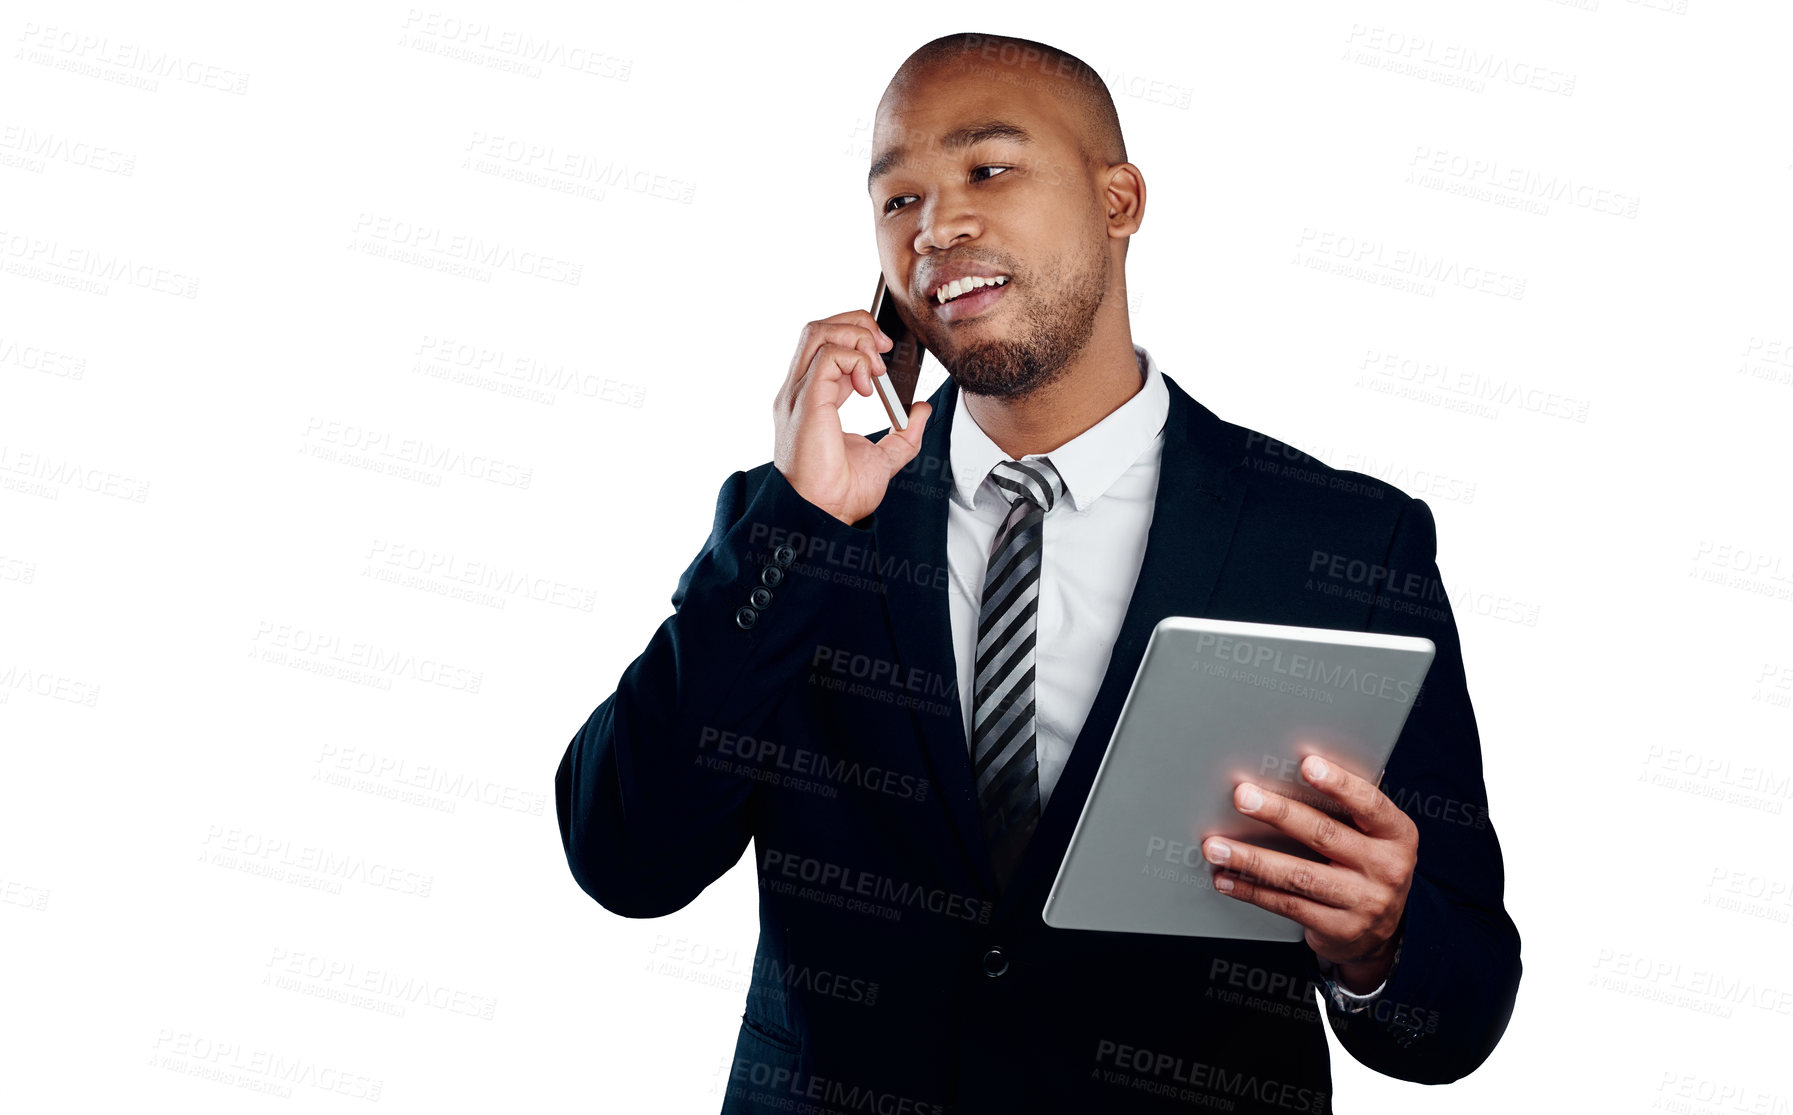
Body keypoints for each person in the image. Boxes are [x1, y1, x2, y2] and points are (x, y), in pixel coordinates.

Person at [555, 31, 1521, 1114]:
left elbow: (1460, 1006)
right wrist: (795, 523)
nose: (936, 226)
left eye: (987, 168)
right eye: (895, 199)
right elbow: (624, 856)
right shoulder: (798, 521)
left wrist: (1379, 943)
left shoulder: (1342, 540)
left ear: (1119, 202)